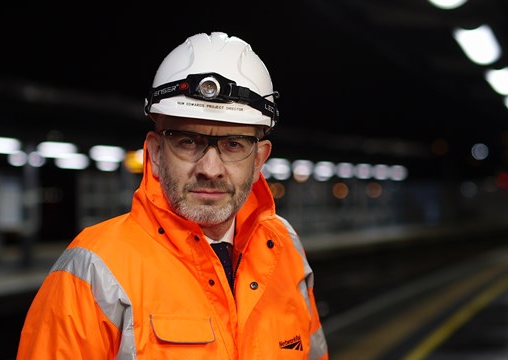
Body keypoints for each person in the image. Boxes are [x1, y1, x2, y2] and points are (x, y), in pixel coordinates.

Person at [17, 31, 328, 359]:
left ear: (259, 160)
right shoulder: (94, 271)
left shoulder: (285, 248)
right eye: (187, 142)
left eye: (233, 144)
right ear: (155, 152)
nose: (210, 168)